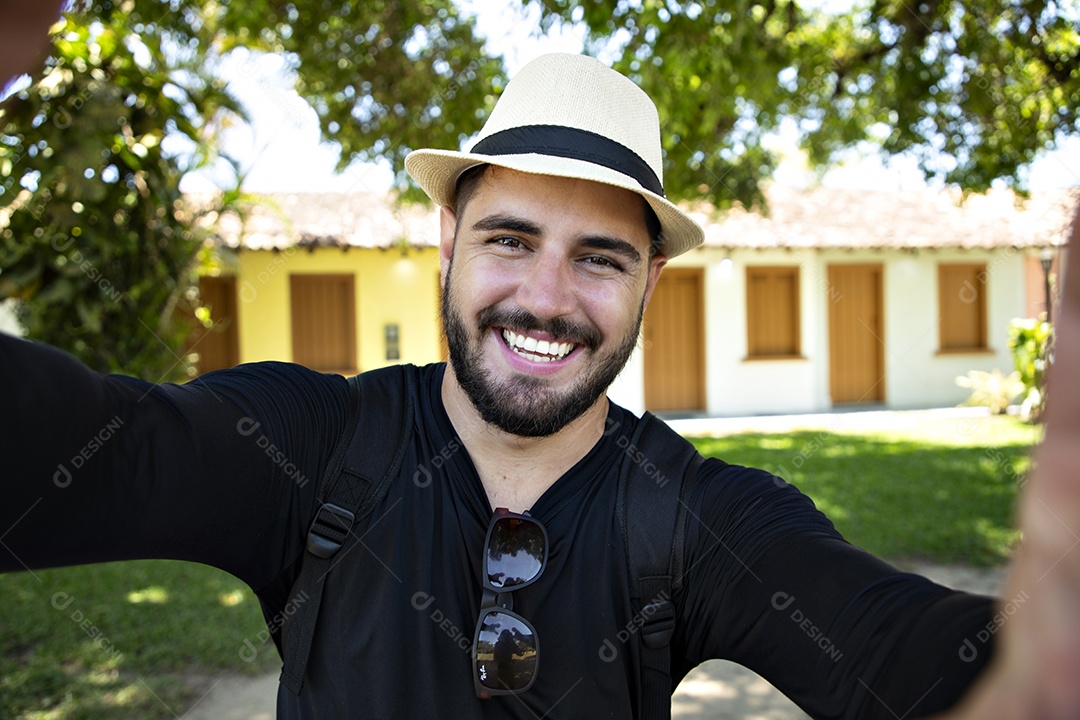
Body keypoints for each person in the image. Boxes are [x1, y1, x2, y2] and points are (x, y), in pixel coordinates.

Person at [2, 51, 1079, 720]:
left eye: (599, 259)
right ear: (447, 241)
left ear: (650, 280)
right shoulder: (308, 448)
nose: (547, 300)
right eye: (510, 240)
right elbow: (83, 450)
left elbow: (905, 652)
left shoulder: (698, 519)